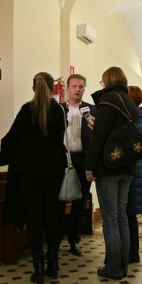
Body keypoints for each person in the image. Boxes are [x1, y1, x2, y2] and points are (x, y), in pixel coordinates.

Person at [0, 72, 66, 284]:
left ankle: (38, 267)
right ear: (53, 88)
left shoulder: (28, 110)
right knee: (52, 217)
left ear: (34, 88)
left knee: (33, 218)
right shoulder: (59, 110)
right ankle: (53, 262)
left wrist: (3, 157)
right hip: (54, 170)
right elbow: (60, 138)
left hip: (29, 172)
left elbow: (11, 136)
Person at [86, 66, 138, 280]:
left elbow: (99, 137)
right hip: (128, 166)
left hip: (109, 167)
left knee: (110, 218)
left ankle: (114, 268)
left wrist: (90, 166)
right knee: (122, 218)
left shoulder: (107, 101)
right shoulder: (130, 103)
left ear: (107, 81)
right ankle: (122, 265)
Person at [60, 74, 97, 257]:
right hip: (62, 159)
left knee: (80, 201)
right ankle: (55, 239)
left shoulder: (92, 110)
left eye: (81, 86)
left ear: (84, 88)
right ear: (67, 88)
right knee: (59, 199)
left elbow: (98, 138)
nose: (77, 89)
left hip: (83, 160)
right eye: (74, 86)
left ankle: (74, 240)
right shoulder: (58, 109)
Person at [125, 85, 142, 263]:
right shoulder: (140, 116)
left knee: (128, 213)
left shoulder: (137, 118)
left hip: (133, 167)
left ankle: (131, 253)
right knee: (129, 213)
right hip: (138, 165)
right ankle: (132, 252)